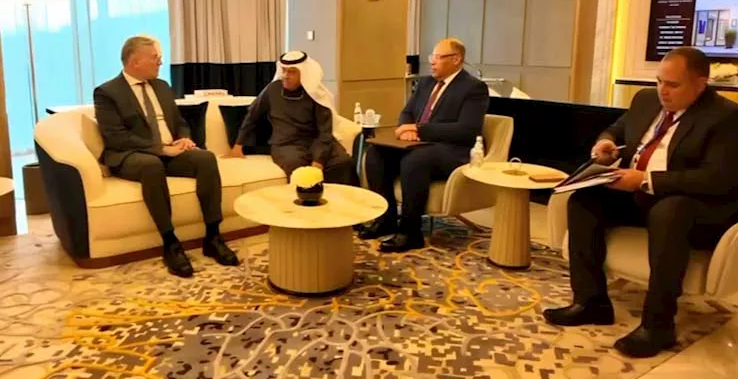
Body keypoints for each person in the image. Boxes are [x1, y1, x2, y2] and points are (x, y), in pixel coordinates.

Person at [543, 47, 738, 358]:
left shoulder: (731, 117)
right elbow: (617, 129)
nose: (662, 91)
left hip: (697, 207)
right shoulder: (646, 100)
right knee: (585, 199)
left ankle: (658, 326)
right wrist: (605, 143)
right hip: (643, 196)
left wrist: (645, 179)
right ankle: (591, 302)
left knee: (670, 211)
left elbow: (717, 179)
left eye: (673, 84)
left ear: (700, 84)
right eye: (659, 81)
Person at [94, 36, 239, 278]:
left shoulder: (161, 86)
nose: (160, 62)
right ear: (135, 61)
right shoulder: (107, 92)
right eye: (155, 58)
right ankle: (170, 243)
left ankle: (213, 236)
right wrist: (161, 149)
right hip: (131, 155)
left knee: (205, 158)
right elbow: (116, 137)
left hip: (170, 150)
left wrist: (183, 138)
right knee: (152, 165)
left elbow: (179, 121)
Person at [359, 38, 489, 252]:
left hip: (452, 150)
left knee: (415, 160)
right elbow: (407, 113)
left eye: (438, 57)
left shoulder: (473, 88)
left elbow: (467, 129)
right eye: (432, 57)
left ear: (456, 59)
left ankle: (410, 232)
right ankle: (386, 220)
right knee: (375, 153)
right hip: (418, 145)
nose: (432, 62)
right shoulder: (426, 83)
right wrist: (406, 129)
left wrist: (419, 130)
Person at [228, 51, 358, 186]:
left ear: (304, 73)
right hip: (286, 144)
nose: (285, 75)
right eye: (284, 70)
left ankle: (340, 199)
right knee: (297, 168)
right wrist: (238, 146)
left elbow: (325, 132)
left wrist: (318, 161)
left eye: (291, 72)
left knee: (342, 162)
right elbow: (252, 116)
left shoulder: (316, 94)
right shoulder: (273, 89)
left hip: (315, 141)